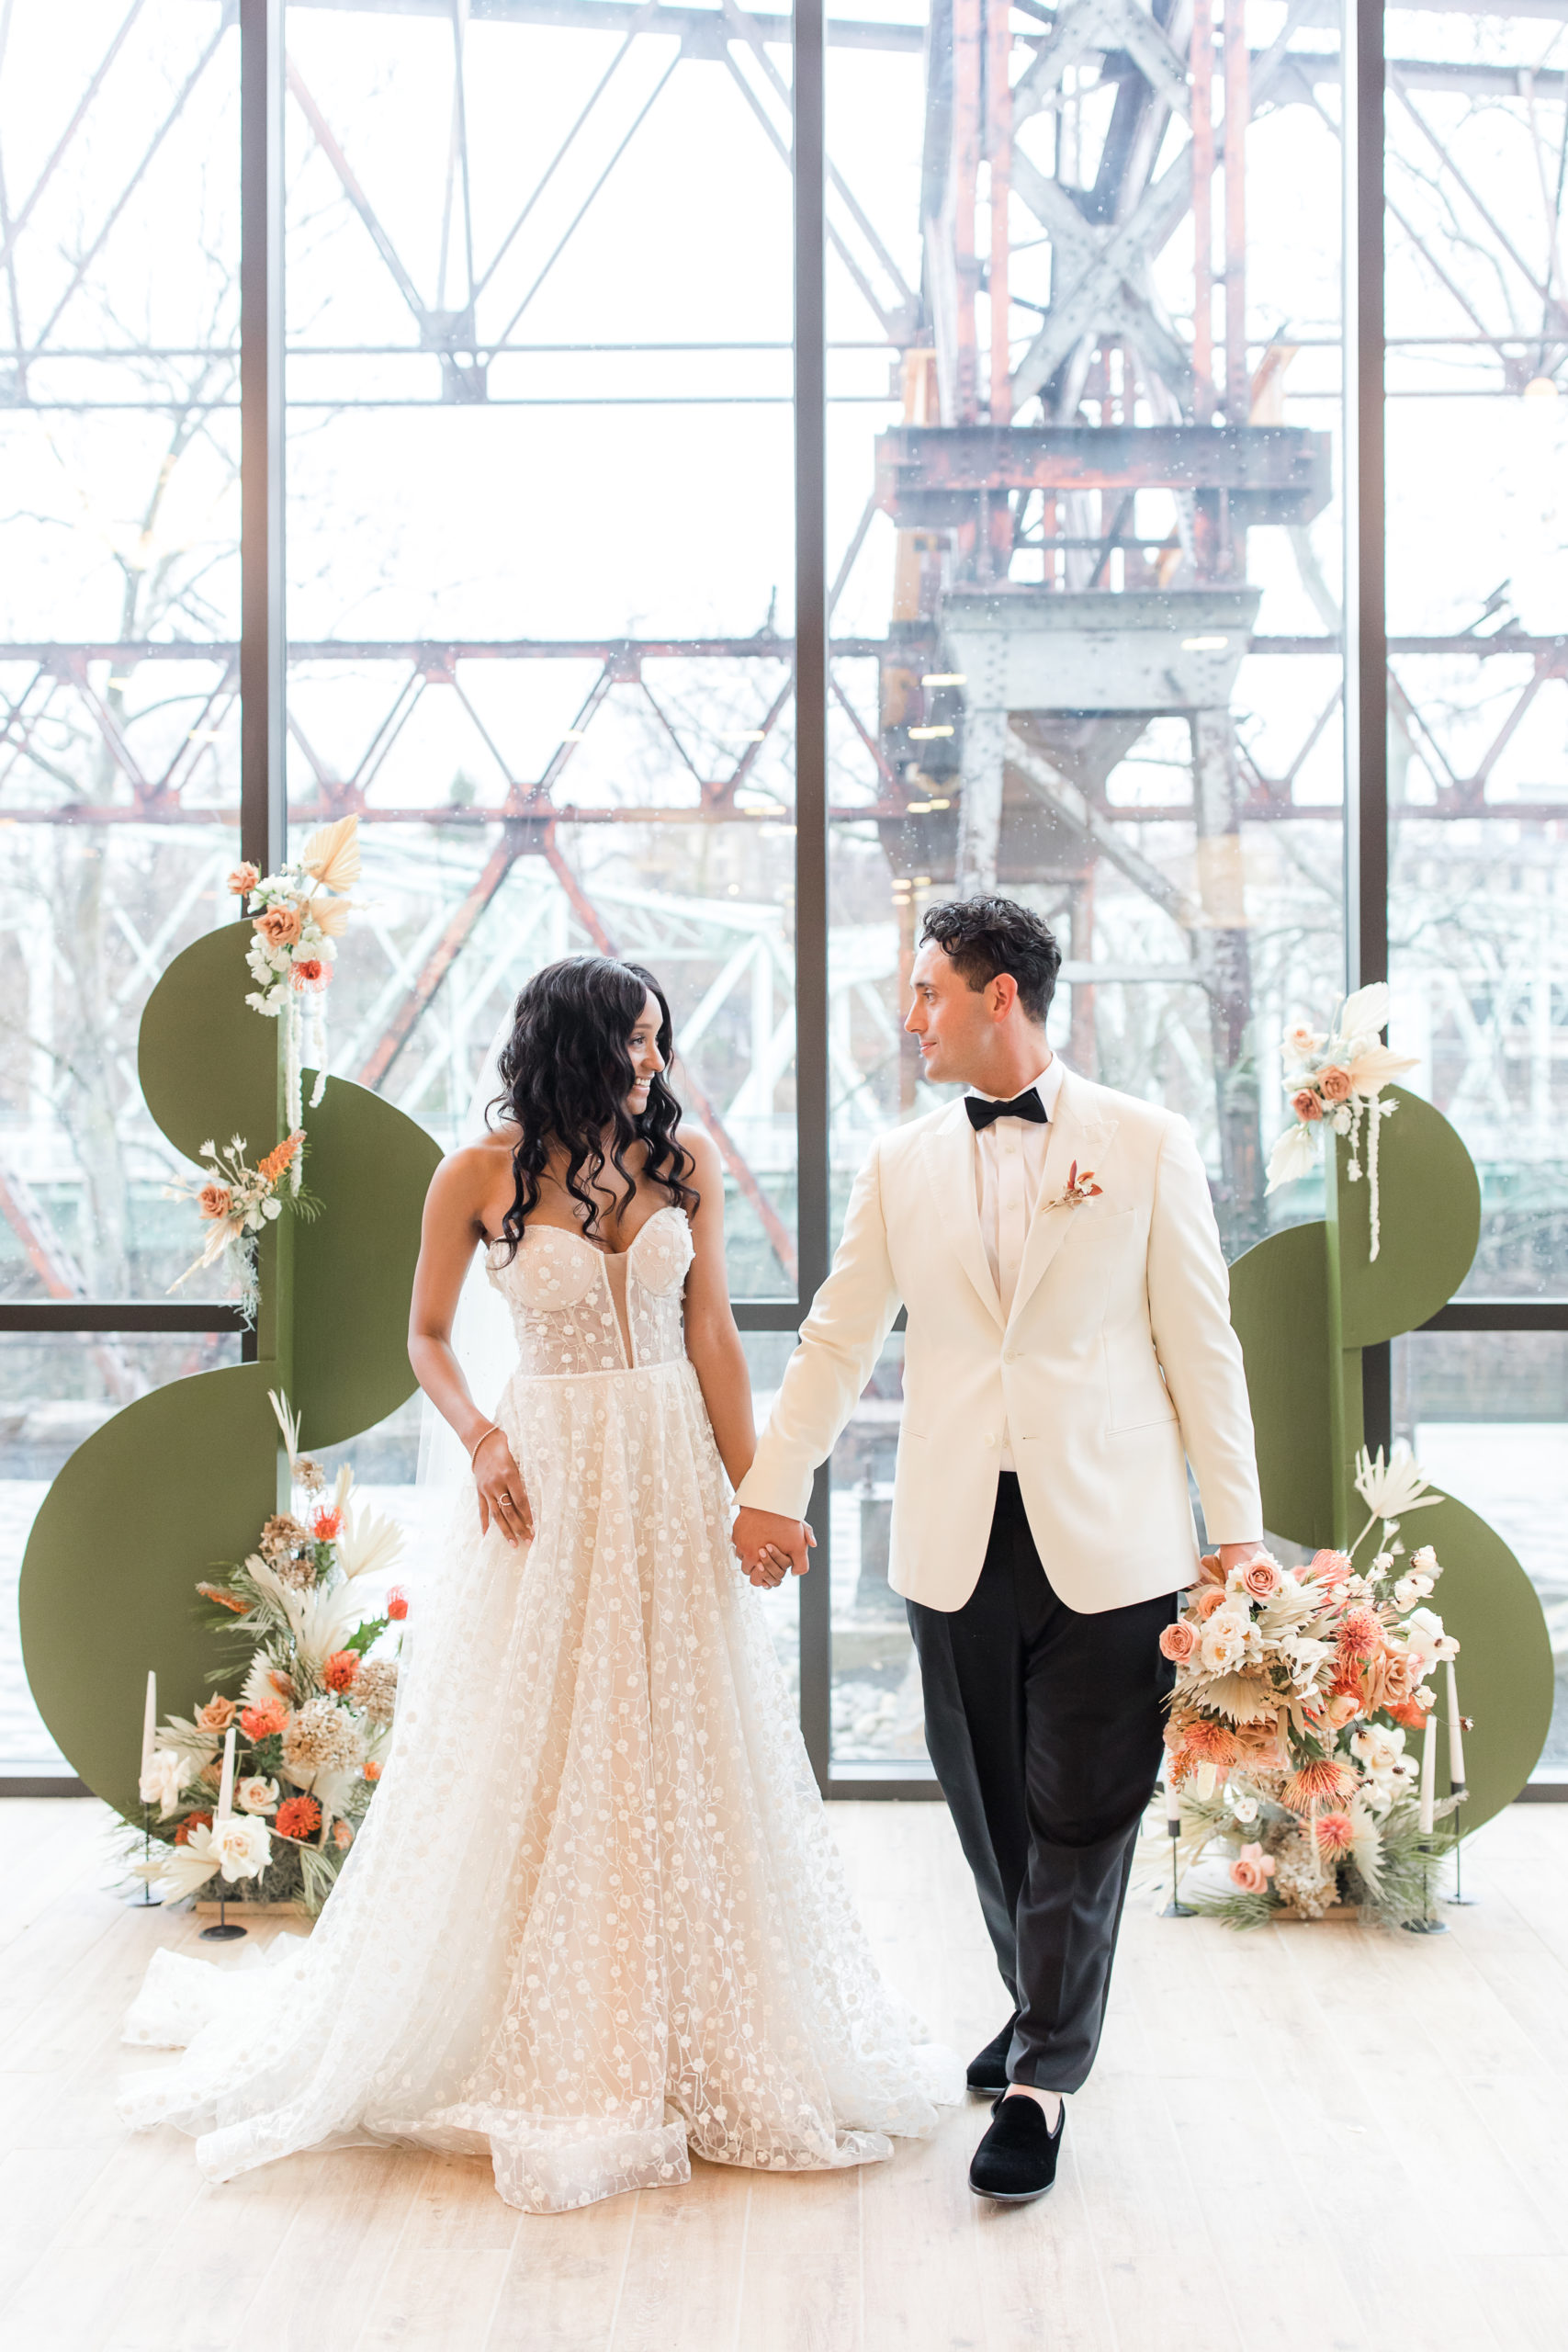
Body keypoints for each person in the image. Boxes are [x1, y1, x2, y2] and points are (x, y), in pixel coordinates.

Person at [119, 955, 953, 2213]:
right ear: (571, 1041)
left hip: (670, 1471)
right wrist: (483, 1438)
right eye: (635, 1041)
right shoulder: (477, 1174)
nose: (655, 1064)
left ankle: (693, 2020)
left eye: (660, 1041)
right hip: (547, 1479)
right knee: (541, 1739)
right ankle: (545, 2020)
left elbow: (715, 1334)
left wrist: (757, 1495)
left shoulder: (685, 1164)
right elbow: (429, 1337)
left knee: (683, 1733)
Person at [732, 897, 1266, 2206]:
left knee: (1085, 1810)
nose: (909, 1016)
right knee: (987, 1815)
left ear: (1000, 994)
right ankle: (1041, 2000)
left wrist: (1237, 1534)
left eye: (927, 991)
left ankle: (1042, 2082)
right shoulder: (898, 1161)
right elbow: (836, 1338)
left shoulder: (1144, 1144)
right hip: (953, 1533)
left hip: (1116, 1532)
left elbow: (1203, 1345)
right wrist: (770, 1488)